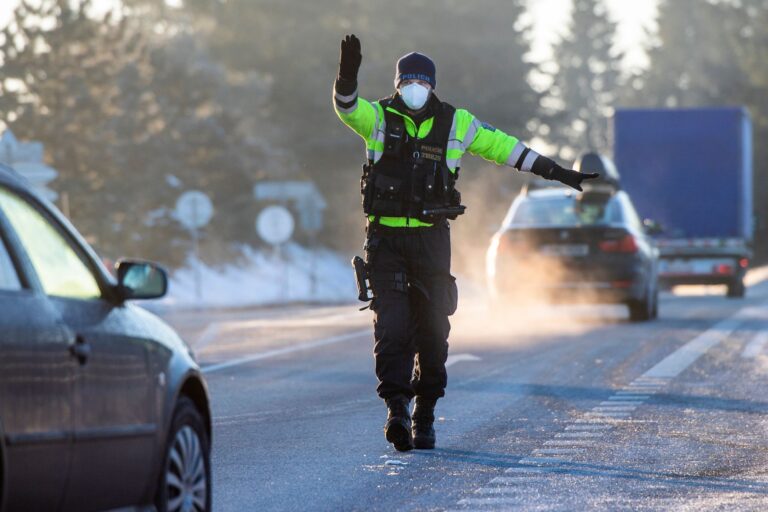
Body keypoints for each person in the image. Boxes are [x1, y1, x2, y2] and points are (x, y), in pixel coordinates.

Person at [333, 34, 598, 452]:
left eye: (422, 80)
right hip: (386, 241)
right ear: (398, 83)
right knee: (393, 328)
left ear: (432, 84)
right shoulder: (379, 118)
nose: (415, 87)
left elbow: (506, 149)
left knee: (434, 333)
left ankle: (425, 415)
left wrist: (559, 172)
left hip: (432, 240)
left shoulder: (457, 122)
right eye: (408, 80)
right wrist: (346, 75)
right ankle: (397, 410)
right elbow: (347, 108)